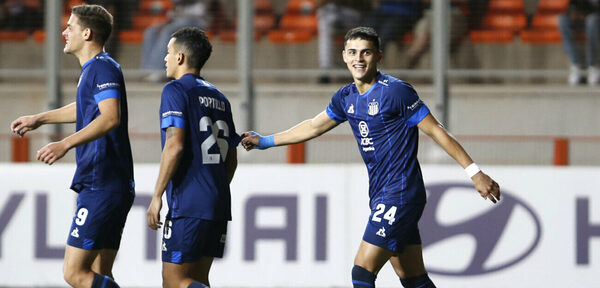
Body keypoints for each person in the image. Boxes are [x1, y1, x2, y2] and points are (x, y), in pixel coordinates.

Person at [241, 27, 500, 288]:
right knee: (412, 278)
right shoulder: (346, 97)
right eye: (353, 53)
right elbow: (314, 126)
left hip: (400, 192)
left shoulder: (395, 92)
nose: (359, 59)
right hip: (381, 193)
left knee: (362, 270)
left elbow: (436, 131)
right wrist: (265, 141)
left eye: (366, 52)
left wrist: (474, 172)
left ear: (378, 56)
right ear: (343, 56)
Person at [10, 4, 134, 288]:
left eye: (70, 26)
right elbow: (87, 109)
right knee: (100, 273)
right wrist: (40, 118)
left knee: (75, 273)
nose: (64, 32)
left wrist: (64, 143)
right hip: (111, 182)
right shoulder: (99, 68)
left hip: (101, 182)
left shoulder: (101, 68)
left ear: (87, 33)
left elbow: (110, 116)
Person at [146, 27, 240, 288]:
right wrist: (213, 188)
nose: (165, 58)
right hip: (217, 202)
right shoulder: (220, 97)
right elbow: (231, 158)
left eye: (168, 52)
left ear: (180, 57)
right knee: (198, 278)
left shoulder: (175, 90)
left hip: (188, 204)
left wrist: (156, 196)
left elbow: (174, 145)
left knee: (174, 281)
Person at [141, 0, 215, 82]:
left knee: (168, 31)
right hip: (177, 21)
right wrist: (168, 21)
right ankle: (147, 70)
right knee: (151, 31)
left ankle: (159, 71)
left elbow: (199, 11)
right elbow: (173, 11)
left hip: (198, 21)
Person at [316, 0, 371, 83]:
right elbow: (317, 4)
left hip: (351, 12)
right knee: (324, 19)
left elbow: (366, 5)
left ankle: (357, 68)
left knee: (357, 34)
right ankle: (325, 71)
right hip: (331, 11)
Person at [558, 0, 600, 86]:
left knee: (592, 20)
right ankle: (575, 64)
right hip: (579, 18)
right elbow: (573, 4)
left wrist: (588, 13)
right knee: (562, 19)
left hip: (594, 18)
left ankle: (592, 65)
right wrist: (573, 12)